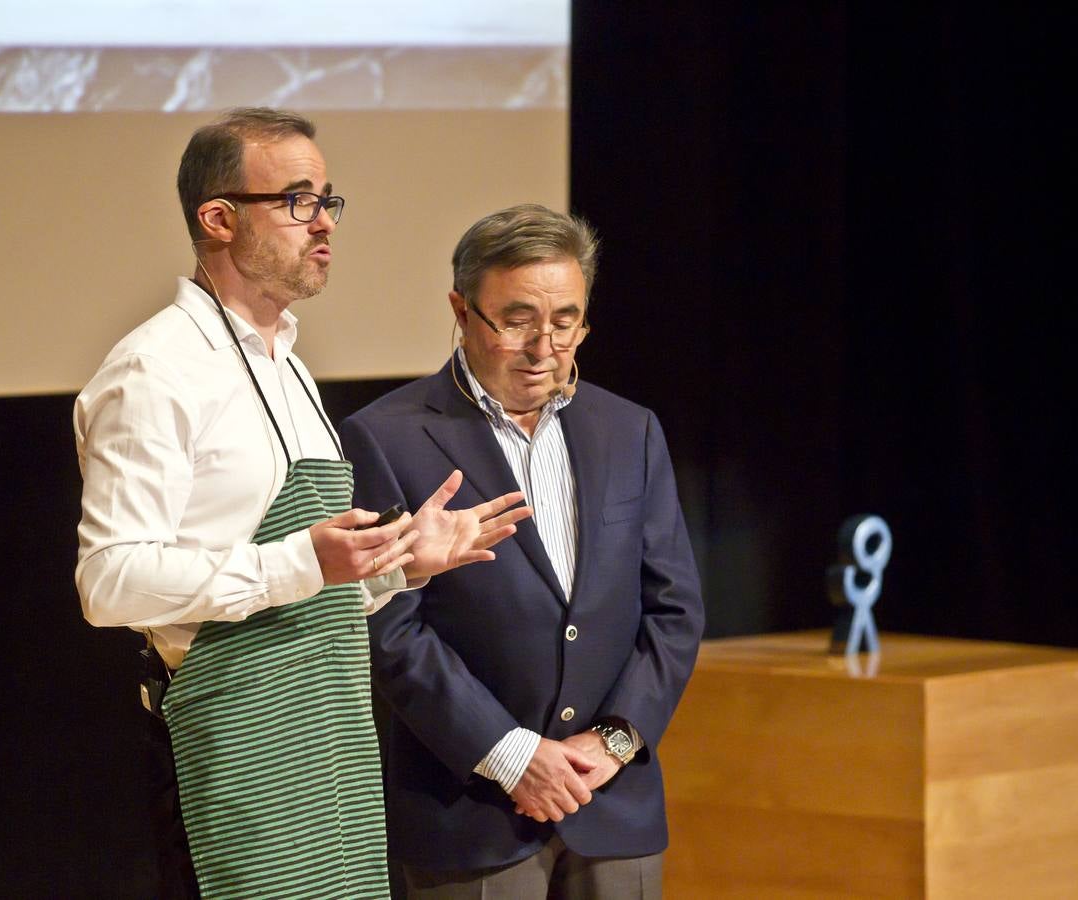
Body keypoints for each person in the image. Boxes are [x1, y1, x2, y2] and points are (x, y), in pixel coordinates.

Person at [73, 108, 530, 900]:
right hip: (236, 742)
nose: (323, 224)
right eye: (297, 201)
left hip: (327, 739)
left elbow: (303, 590)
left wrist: (394, 568)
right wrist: (299, 560)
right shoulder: (156, 371)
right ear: (217, 219)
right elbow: (108, 582)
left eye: (327, 201)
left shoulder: (291, 367)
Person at [340, 204, 705, 898]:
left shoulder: (631, 430)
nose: (544, 348)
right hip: (472, 812)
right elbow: (388, 625)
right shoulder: (385, 437)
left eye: (565, 321)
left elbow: (674, 609)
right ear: (461, 309)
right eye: (516, 320)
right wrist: (511, 756)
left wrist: (616, 740)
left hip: (613, 801)